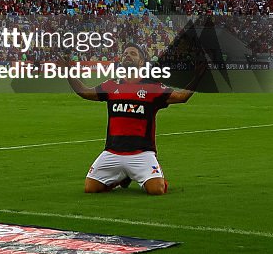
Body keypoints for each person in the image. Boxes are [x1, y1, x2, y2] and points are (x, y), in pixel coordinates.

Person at [67, 47, 198, 195]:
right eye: (125, 54)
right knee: (90, 188)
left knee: (157, 190)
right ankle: (121, 178)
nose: (127, 56)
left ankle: (135, 175)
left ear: (141, 61)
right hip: (112, 152)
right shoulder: (112, 85)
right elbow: (85, 92)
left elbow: (182, 97)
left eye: (132, 53)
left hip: (142, 153)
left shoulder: (152, 87)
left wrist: (198, 76)